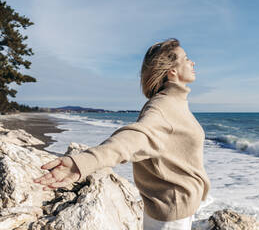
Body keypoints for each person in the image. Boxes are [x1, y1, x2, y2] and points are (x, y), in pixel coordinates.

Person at [33, 38, 211, 230]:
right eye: (186, 59)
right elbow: (132, 139)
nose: (192, 62)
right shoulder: (162, 107)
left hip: (177, 208)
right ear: (172, 71)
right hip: (171, 215)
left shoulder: (175, 103)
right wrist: (84, 162)